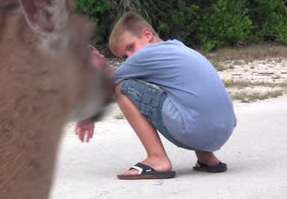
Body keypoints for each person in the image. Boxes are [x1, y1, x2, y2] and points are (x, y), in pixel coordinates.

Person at [76, 12, 237, 180]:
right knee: (184, 94)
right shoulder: (179, 47)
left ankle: (157, 159)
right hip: (224, 129)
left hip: (195, 130)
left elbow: (112, 84)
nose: (130, 58)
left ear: (147, 35)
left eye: (131, 47)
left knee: (123, 89)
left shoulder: (144, 56)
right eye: (125, 56)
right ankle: (207, 157)